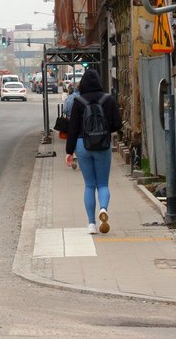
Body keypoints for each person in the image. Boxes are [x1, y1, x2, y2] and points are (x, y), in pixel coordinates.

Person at [65, 69, 121, 235]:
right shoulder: (108, 99)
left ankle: (91, 224)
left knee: (89, 185)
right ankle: (103, 208)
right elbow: (118, 124)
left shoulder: (78, 101)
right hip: (102, 145)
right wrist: (104, 130)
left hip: (83, 145)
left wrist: (69, 151)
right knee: (103, 184)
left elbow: (72, 129)